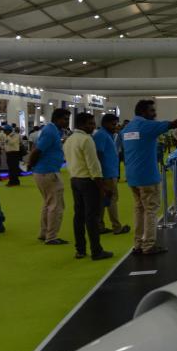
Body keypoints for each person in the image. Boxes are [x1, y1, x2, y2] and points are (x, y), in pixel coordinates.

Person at [123, 99, 177, 255]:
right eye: (152, 111)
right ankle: (149, 245)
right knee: (150, 210)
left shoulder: (127, 129)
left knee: (139, 210)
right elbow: (174, 124)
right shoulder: (148, 126)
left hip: (132, 177)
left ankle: (138, 244)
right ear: (143, 112)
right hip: (147, 177)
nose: (155, 114)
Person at [64, 113, 113, 260]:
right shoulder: (87, 139)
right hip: (89, 182)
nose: (93, 127)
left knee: (78, 216)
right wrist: (102, 187)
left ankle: (80, 250)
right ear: (81, 124)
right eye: (90, 124)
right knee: (92, 217)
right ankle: (96, 251)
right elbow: (93, 166)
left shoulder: (69, 140)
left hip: (74, 180)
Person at [27, 109, 71, 245]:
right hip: (48, 172)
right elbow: (37, 150)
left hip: (45, 171)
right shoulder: (51, 131)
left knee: (48, 204)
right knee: (56, 206)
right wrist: (30, 165)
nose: (67, 121)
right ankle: (51, 236)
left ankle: (44, 233)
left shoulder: (54, 131)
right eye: (65, 119)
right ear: (57, 119)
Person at [93, 114, 129, 236]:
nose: (116, 127)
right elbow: (97, 155)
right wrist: (100, 175)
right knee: (111, 199)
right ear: (106, 123)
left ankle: (99, 226)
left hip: (109, 172)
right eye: (113, 124)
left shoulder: (106, 135)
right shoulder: (101, 135)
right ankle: (117, 227)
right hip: (106, 174)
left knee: (104, 200)